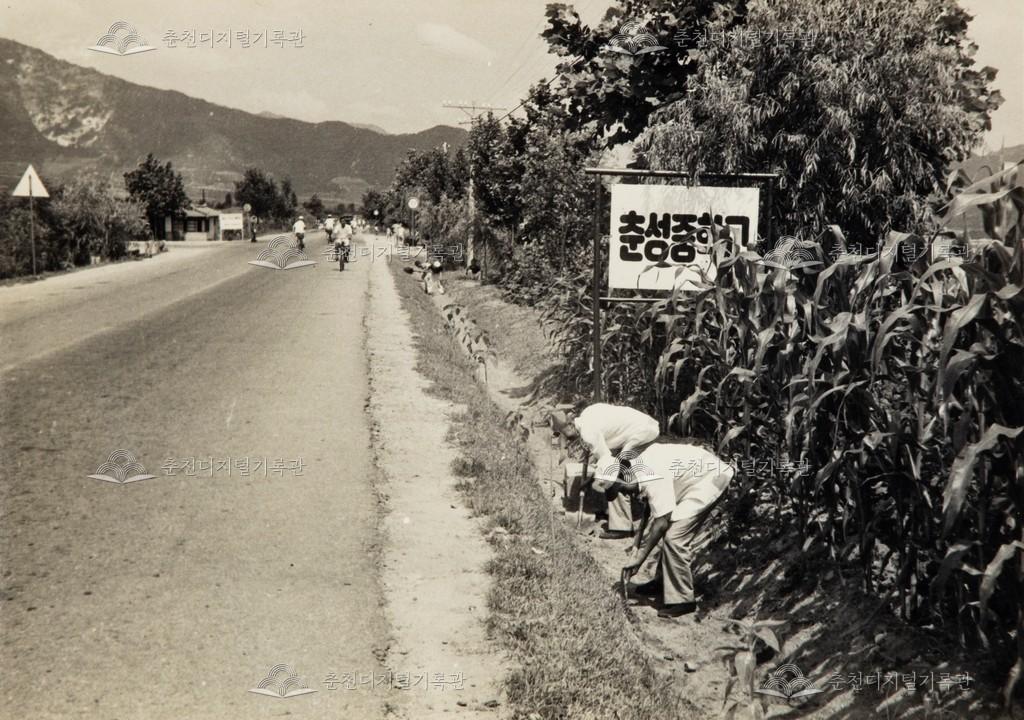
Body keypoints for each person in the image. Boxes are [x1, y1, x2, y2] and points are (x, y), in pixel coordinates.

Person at [601, 442, 733, 618]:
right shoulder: (639, 467)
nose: (625, 494)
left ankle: (683, 600)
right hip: (693, 479)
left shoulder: (652, 474)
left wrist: (639, 558)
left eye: (623, 489)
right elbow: (654, 507)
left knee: (674, 537)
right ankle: (661, 583)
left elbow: (662, 522)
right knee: (670, 531)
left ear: (628, 477)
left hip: (710, 480)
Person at [555, 403, 660, 539]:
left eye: (568, 436)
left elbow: (606, 460)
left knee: (614, 478)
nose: (570, 441)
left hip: (642, 434)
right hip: (644, 426)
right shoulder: (587, 414)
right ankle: (621, 510)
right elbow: (601, 444)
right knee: (617, 471)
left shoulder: (588, 433)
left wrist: (595, 483)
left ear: (570, 425)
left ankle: (622, 528)